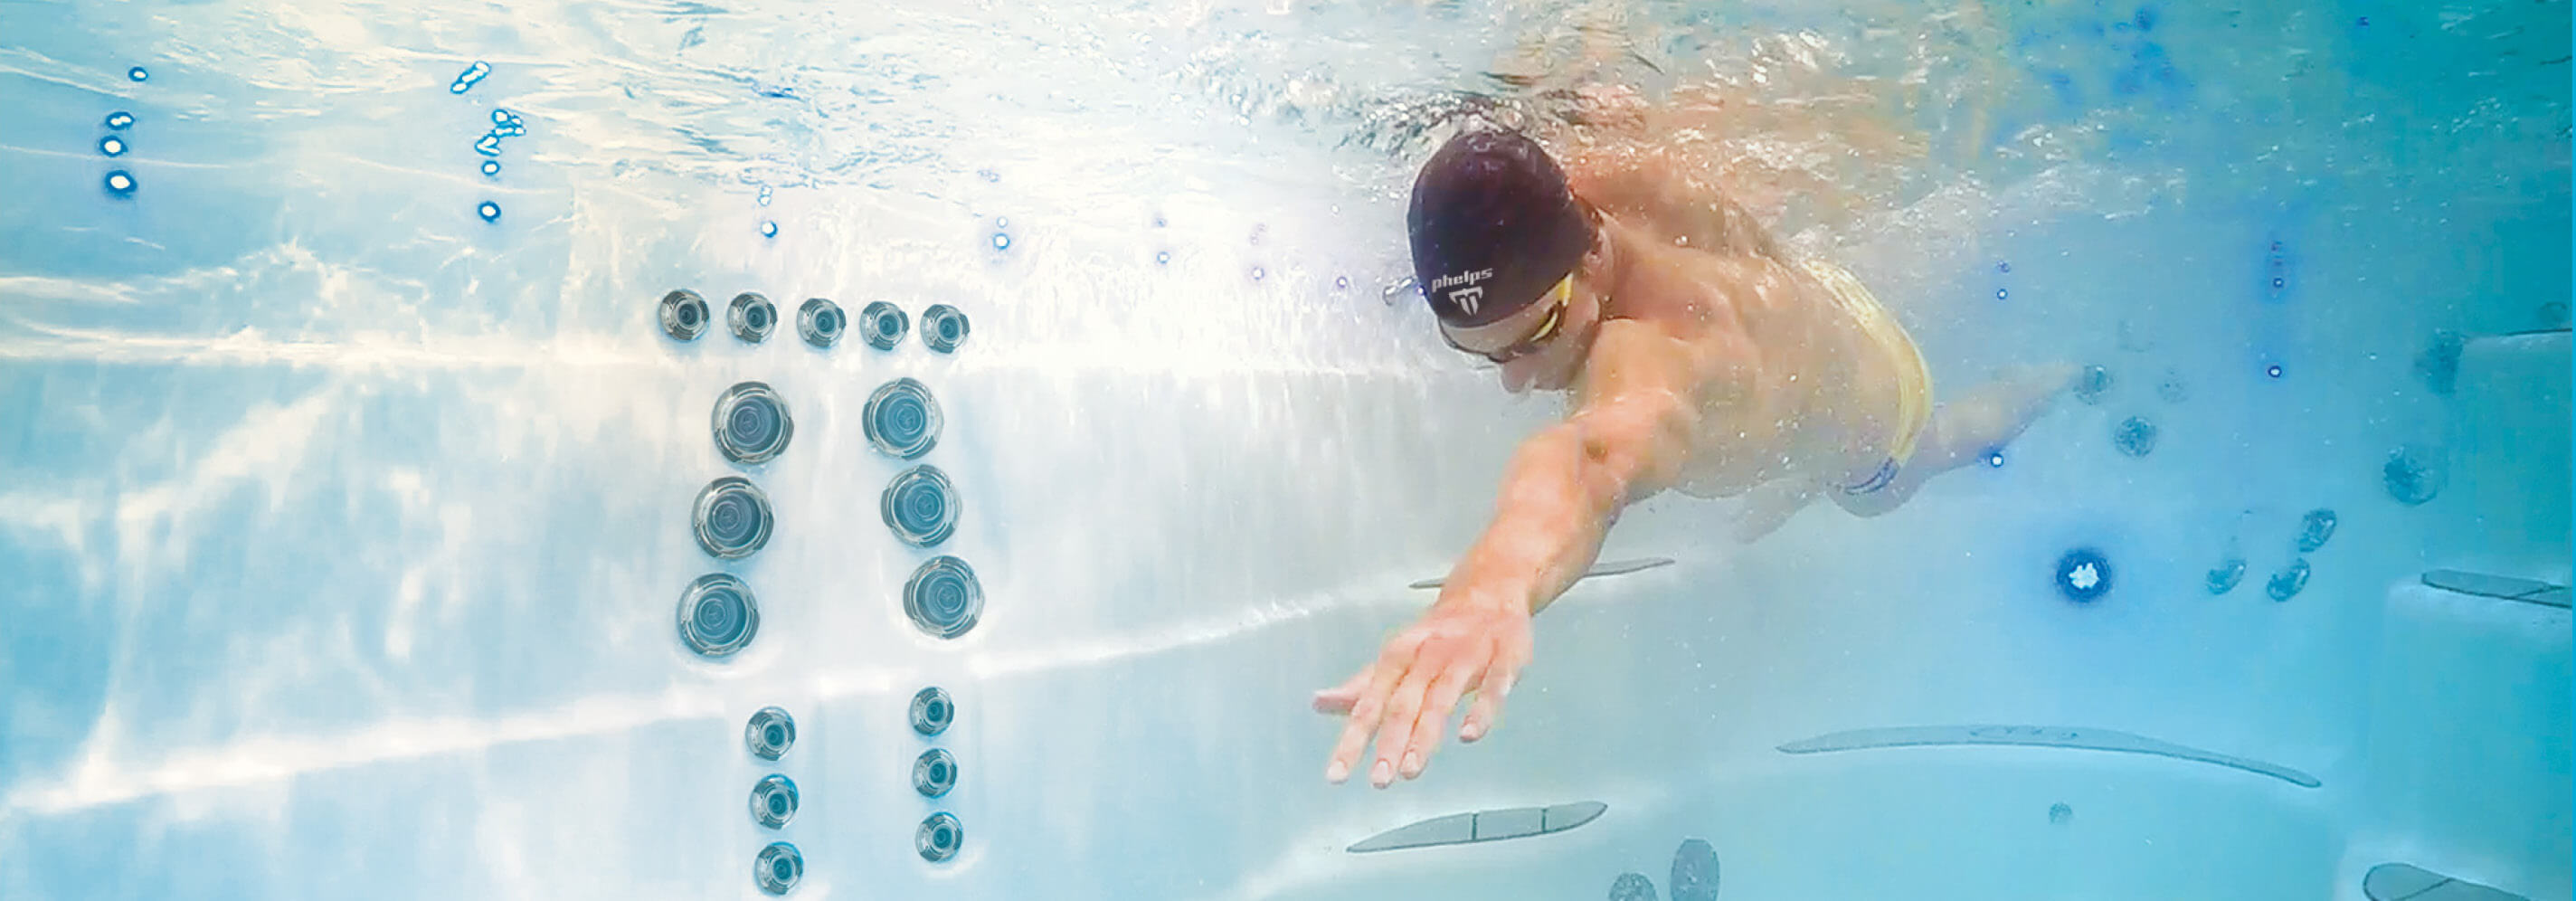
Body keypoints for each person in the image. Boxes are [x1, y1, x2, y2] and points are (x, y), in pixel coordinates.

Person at [1312, 119, 2076, 790]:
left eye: (1535, 337)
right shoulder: (1599, 182)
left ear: (1587, 261)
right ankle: (1804, 453)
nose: (1514, 383)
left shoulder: (1657, 361)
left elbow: (1585, 465)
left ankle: (2051, 377)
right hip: (1814, 304)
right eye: (1476, 350)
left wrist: (1490, 590)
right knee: (1801, 454)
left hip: (1881, 403)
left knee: (1885, 485)